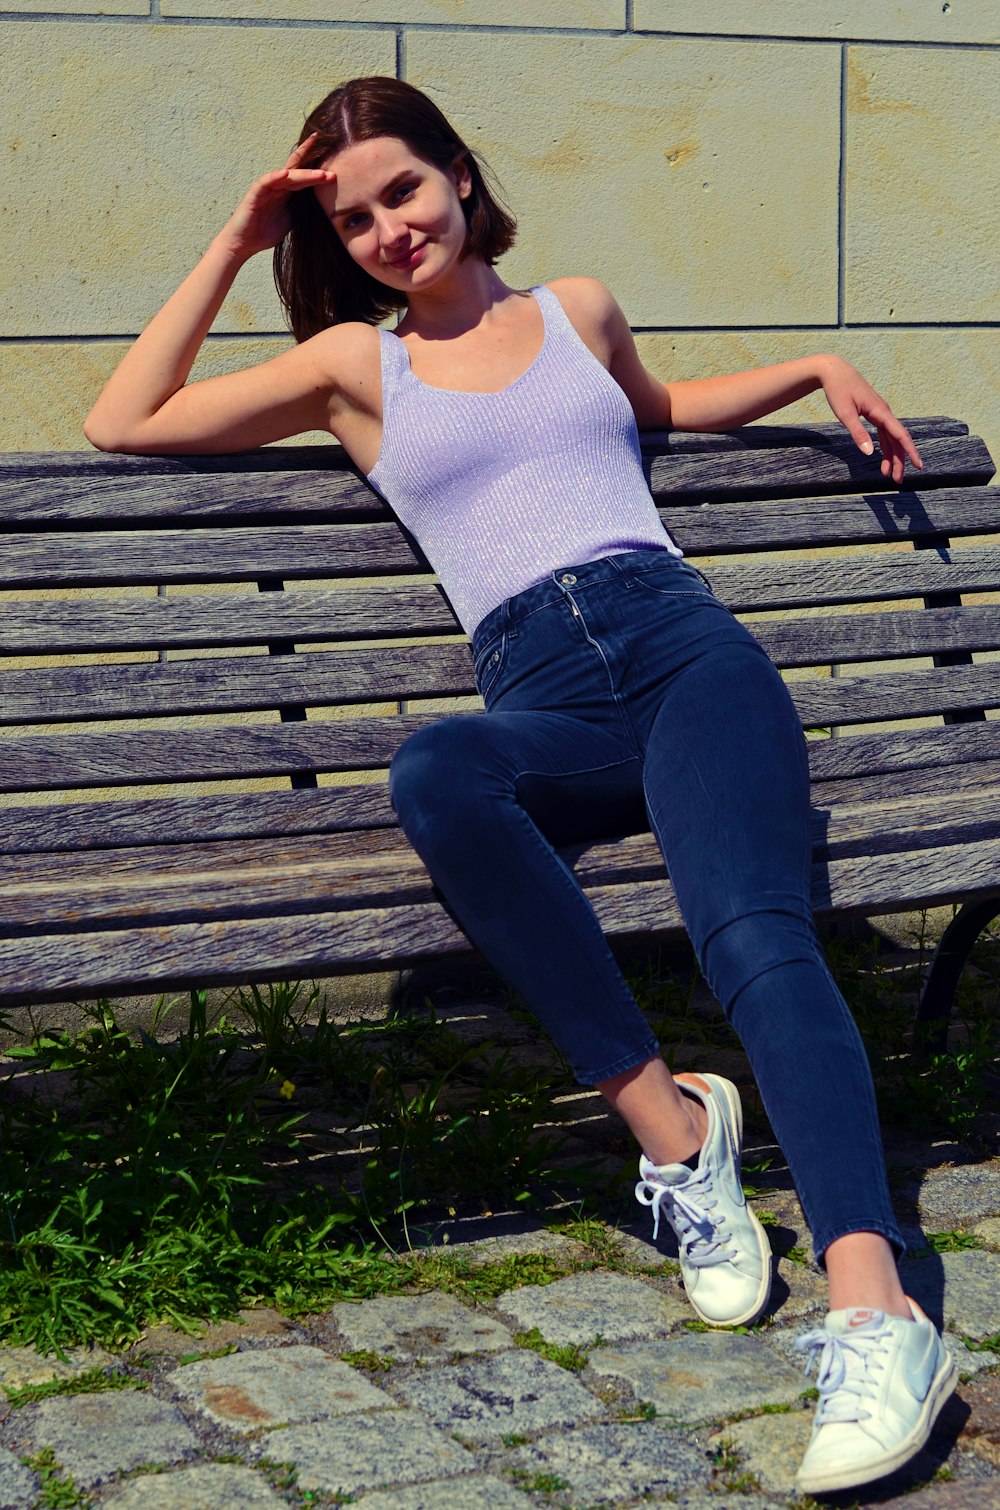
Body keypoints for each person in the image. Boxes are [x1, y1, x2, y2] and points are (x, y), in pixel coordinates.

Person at [84, 75, 956, 1494]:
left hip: (687, 658)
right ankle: (675, 1134)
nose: (385, 229)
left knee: (752, 935)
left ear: (461, 176)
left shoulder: (576, 309)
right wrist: (239, 240)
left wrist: (807, 367)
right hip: (543, 697)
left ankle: (878, 1307)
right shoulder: (354, 368)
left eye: (403, 191)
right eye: (352, 215)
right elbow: (126, 421)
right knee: (439, 766)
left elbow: (659, 411)